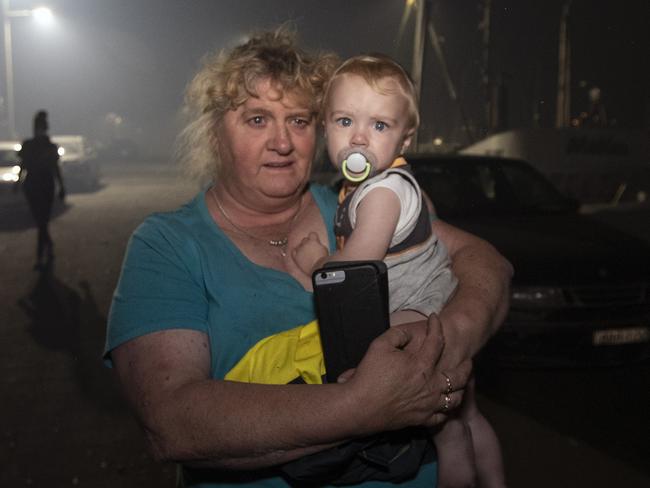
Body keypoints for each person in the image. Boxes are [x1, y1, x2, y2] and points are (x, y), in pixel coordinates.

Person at [104, 28, 512, 488]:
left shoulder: (354, 205)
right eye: (257, 119)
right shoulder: (168, 244)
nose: (282, 142)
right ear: (214, 132)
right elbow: (171, 422)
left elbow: (486, 262)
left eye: (299, 121)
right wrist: (363, 406)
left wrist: (449, 338)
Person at [292, 54, 507, 488]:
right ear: (325, 128)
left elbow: (360, 262)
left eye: (380, 126)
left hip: (418, 309)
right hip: (433, 295)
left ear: (405, 141)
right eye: (344, 121)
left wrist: (314, 259)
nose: (358, 138)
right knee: (468, 414)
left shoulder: (381, 194)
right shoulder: (378, 184)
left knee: (445, 432)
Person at [17, 110, 65, 270]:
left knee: (41, 221)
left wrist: (18, 182)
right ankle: (48, 248)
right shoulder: (45, 146)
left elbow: (24, 165)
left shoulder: (36, 145)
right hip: (40, 185)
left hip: (39, 185)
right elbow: (24, 165)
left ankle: (41, 256)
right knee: (41, 222)